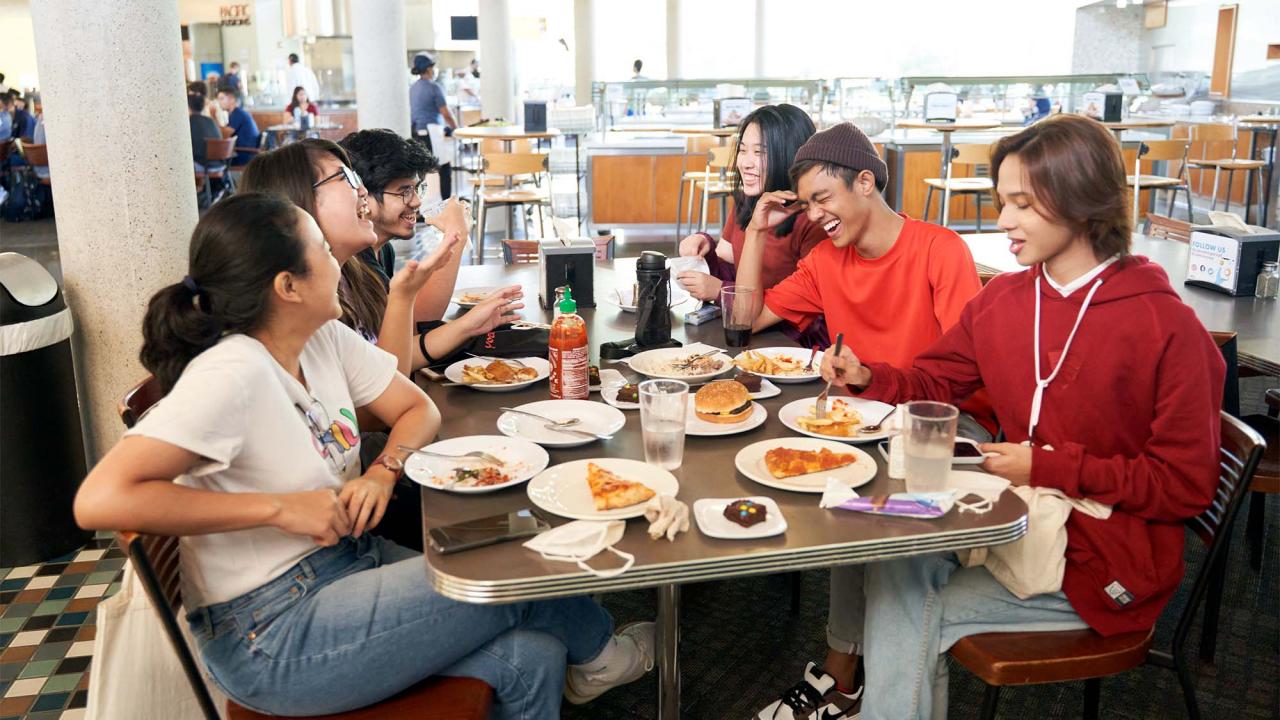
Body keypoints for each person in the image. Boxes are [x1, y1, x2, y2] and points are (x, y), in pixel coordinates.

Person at [72, 192, 655, 718]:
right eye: (324, 252)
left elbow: (418, 409)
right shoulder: (232, 371)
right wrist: (279, 509)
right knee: (518, 562)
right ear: (288, 286)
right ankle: (606, 652)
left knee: (533, 655)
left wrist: (382, 472)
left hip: (349, 565)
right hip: (272, 632)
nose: (340, 262)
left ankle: (595, 656)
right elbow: (100, 500)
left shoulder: (321, 337)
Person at [818, 114, 1225, 720]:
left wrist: (1049, 466)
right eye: (1001, 201)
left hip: (1104, 560)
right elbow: (937, 380)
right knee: (881, 550)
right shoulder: (1007, 301)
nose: (1003, 220)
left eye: (1022, 203)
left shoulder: (1167, 329)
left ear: (1083, 202)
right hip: (1020, 521)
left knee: (906, 605)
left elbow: (1186, 486)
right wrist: (871, 377)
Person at [745, 123, 991, 720]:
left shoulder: (940, 249)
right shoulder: (828, 259)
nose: (816, 215)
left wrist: (871, 377)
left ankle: (849, 672)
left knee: (858, 501)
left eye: (823, 199)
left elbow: (966, 375)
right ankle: (846, 673)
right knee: (838, 494)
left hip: (950, 426)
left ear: (865, 181)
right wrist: (756, 228)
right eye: (806, 205)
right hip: (868, 418)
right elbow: (746, 317)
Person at [241, 139, 518, 379]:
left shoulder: (352, 274)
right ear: (301, 201)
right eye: (348, 179)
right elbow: (379, 397)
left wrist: (467, 326)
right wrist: (405, 295)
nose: (361, 192)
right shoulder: (304, 308)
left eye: (416, 189)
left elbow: (386, 363)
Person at [675, 104, 826, 347]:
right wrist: (704, 244)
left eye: (759, 152)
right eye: (743, 150)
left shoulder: (814, 221)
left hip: (792, 347)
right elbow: (730, 261)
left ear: (790, 155)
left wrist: (721, 292)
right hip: (748, 335)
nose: (745, 162)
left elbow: (792, 308)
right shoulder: (751, 201)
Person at [338, 128, 467, 322]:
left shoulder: (383, 250)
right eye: (405, 191)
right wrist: (456, 237)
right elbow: (412, 326)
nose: (416, 202)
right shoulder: (353, 257)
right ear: (364, 195)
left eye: (417, 189)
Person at [409, 53, 457, 200]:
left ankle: (418, 206)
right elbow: (445, 112)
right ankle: (446, 205)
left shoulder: (413, 88)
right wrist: (455, 127)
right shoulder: (434, 87)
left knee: (421, 172)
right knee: (444, 168)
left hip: (416, 131)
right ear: (429, 69)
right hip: (432, 131)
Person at [188, 93, 224, 206]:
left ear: (188, 107)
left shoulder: (188, 123)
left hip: (204, 165)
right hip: (221, 163)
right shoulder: (210, 121)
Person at [217, 88, 261, 165]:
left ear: (232, 99)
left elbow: (225, 134)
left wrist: (213, 116)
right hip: (246, 153)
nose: (219, 102)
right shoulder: (236, 113)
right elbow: (223, 130)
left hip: (245, 154)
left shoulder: (237, 114)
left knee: (215, 162)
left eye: (222, 98)